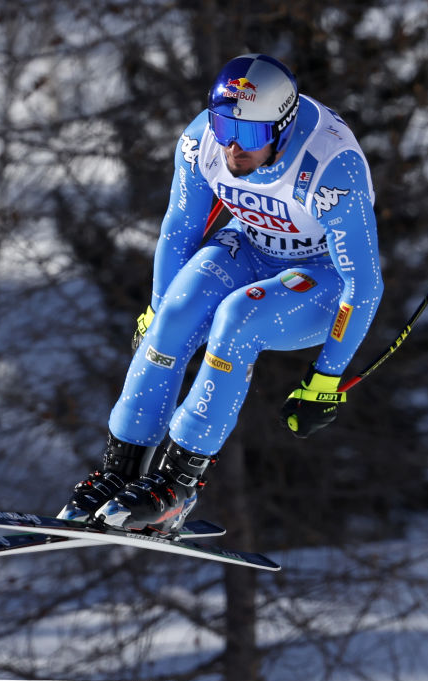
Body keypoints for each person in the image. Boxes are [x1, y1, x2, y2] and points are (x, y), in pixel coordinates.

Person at [58, 53, 383, 534]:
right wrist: (155, 310)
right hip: (250, 246)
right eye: (223, 127)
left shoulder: (333, 168)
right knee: (177, 309)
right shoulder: (200, 142)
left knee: (237, 319)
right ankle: (117, 474)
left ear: (284, 125)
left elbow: (364, 283)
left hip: (321, 279)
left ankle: (177, 486)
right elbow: (180, 229)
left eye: (249, 136)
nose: (233, 149)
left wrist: (326, 378)